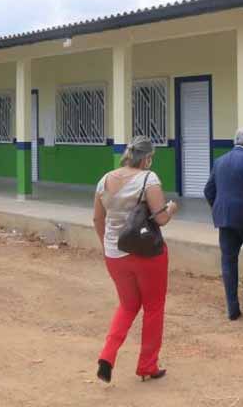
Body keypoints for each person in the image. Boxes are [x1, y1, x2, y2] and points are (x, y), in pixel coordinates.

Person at [92, 136, 178, 384]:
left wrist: (107, 246)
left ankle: (106, 357)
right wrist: (171, 208)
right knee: (153, 307)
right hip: (146, 254)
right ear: (147, 158)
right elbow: (160, 219)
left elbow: (98, 220)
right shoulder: (148, 178)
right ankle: (147, 365)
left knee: (128, 305)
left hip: (115, 254)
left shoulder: (104, 180)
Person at [204, 129, 243, 320]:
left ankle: (232, 307)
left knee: (228, 260)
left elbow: (208, 190)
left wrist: (218, 207)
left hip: (224, 219)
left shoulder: (219, 161)